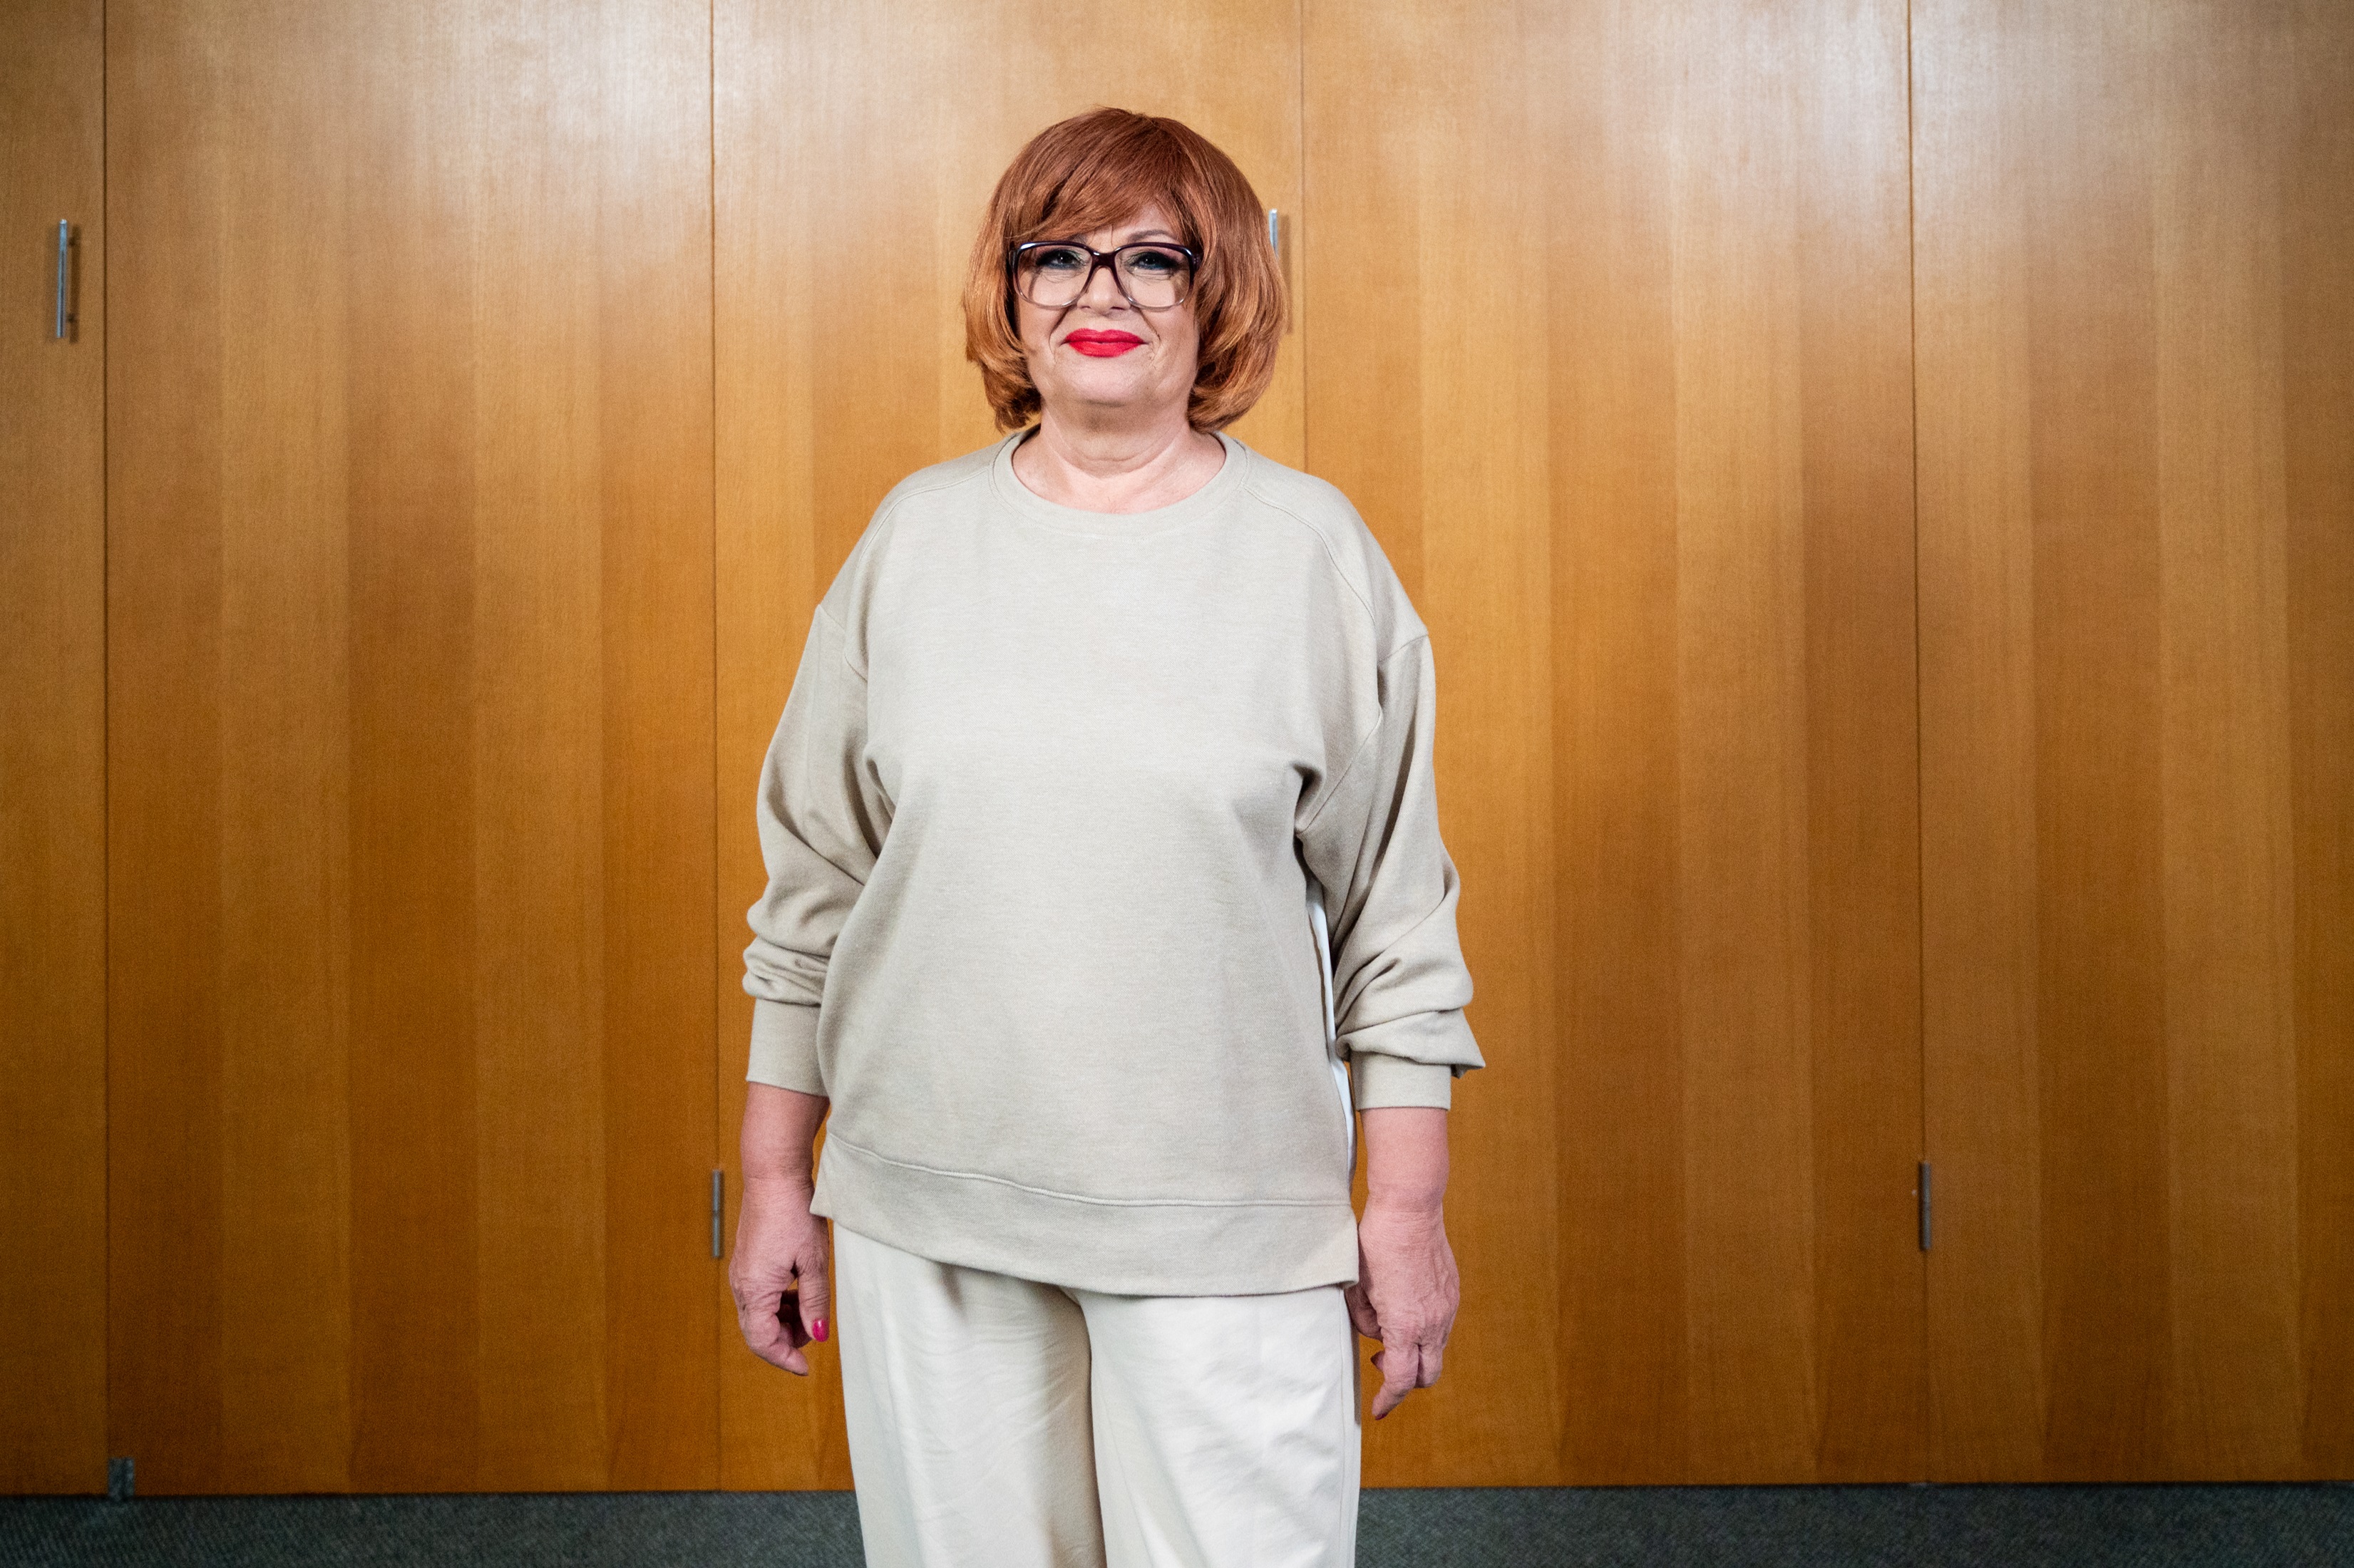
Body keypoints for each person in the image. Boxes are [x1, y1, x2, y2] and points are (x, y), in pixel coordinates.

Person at [727, 105, 1484, 1568]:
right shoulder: (910, 541)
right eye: (1057, 254)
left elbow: (1393, 925)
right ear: (1010, 289)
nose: (1100, 293)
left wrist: (1404, 1209)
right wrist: (773, 1181)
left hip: (1225, 1222)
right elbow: (816, 887)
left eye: (1153, 258)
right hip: (928, 1208)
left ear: (1220, 294)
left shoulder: (1313, 557)